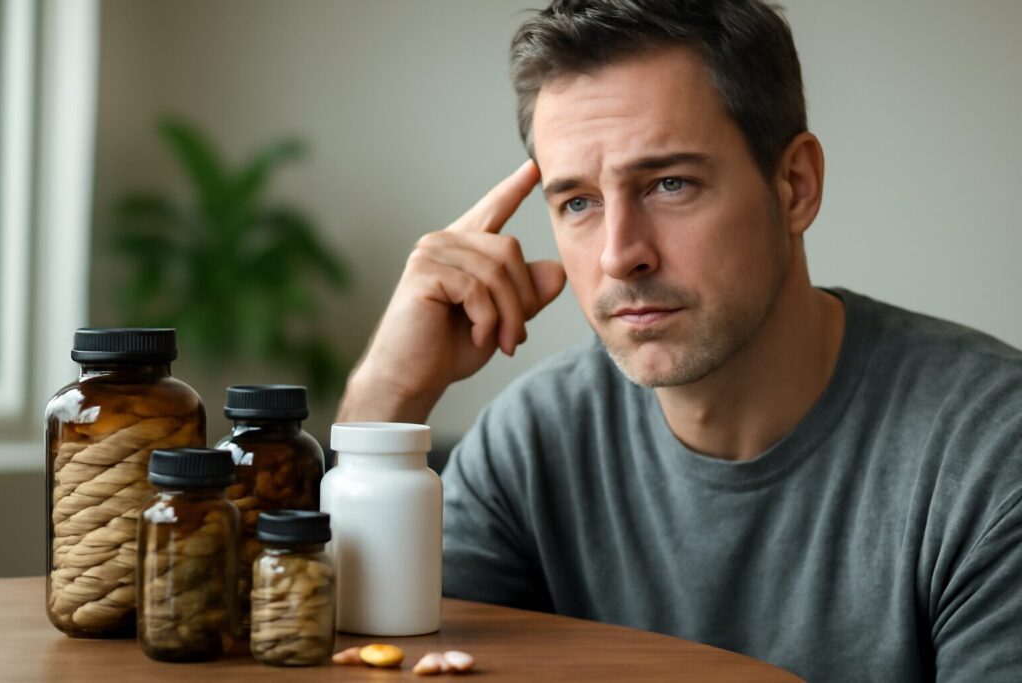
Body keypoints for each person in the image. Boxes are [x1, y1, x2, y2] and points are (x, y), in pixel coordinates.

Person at [337, 1, 1022, 680]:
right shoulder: (534, 442)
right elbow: (354, 653)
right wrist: (387, 393)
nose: (618, 255)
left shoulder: (990, 452)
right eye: (578, 202)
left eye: (669, 184)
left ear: (795, 186)